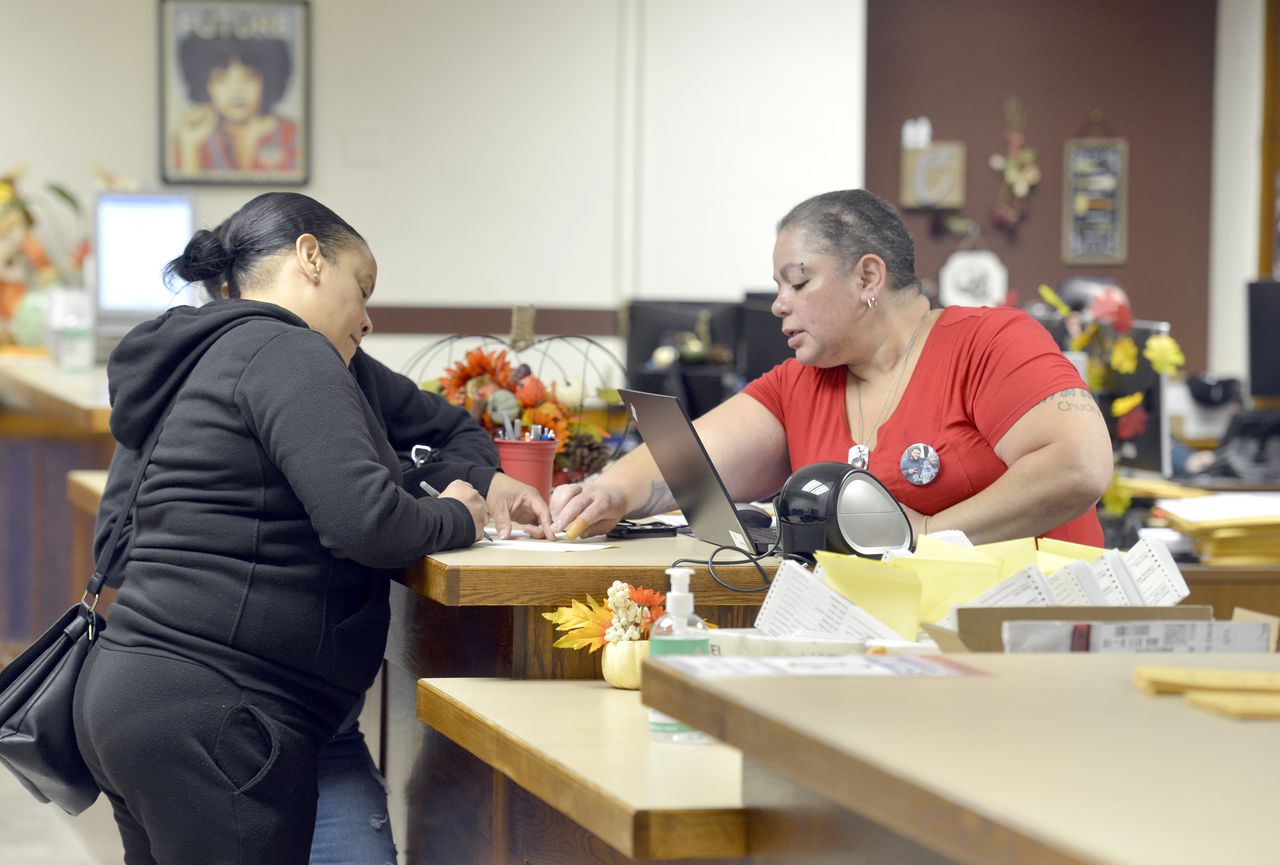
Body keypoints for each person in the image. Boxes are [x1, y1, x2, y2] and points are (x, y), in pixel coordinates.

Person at [74, 191, 551, 865]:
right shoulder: (290, 352)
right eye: (362, 288)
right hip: (220, 713)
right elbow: (367, 520)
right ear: (309, 256)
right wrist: (458, 515)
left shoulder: (203, 352)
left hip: (138, 694)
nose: (367, 317)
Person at [551, 189, 1113, 546]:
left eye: (798, 282)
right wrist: (609, 492)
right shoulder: (802, 382)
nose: (779, 304)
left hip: (1028, 642)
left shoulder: (990, 342)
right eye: (778, 287)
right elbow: (687, 464)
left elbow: (1079, 467)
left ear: (869, 277)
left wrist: (925, 535)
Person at [172, 28, 300, 175]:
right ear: (204, 84)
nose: (236, 91)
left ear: (267, 80)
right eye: (221, 79)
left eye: (248, 77)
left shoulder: (293, 135)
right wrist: (190, 145)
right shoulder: (194, 136)